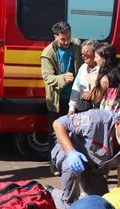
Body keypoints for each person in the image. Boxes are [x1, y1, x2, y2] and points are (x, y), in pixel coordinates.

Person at [41, 21, 82, 175]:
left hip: (75, 98)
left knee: (75, 132)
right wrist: (63, 78)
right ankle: (55, 164)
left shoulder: (77, 45)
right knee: (55, 134)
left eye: (68, 38)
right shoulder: (48, 53)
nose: (66, 42)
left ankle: (74, 163)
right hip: (57, 101)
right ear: (55, 37)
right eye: (63, 39)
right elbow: (47, 77)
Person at [91, 42, 120, 113]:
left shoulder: (106, 78)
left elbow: (96, 98)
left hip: (109, 116)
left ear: (104, 59)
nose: (94, 59)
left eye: (96, 57)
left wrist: (92, 82)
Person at [68, 39, 100, 114]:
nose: (83, 56)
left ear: (95, 53)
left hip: (98, 110)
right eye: (82, 54)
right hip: (83, 109)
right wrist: (72, 108)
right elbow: (76, 88)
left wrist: (92, 92)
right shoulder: (83, 68)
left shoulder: (102, 69)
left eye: (86, 53)